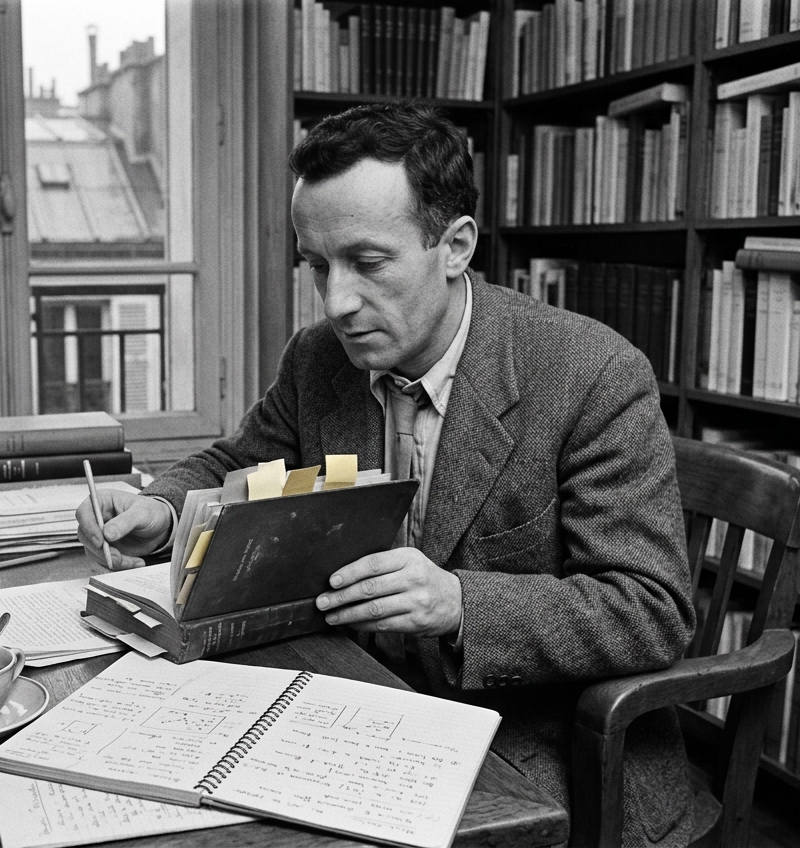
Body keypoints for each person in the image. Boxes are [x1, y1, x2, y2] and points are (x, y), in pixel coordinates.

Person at [77, 102, 698, 846]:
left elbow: (650, 611)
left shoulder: (592, 373)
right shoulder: (318, 360)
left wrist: (459, 603)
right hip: (356, 705)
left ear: (456, 246)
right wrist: (163, 510)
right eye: (317, 265)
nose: (337, 302)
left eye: (368, 264)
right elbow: (237, 461)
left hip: (542, 748)